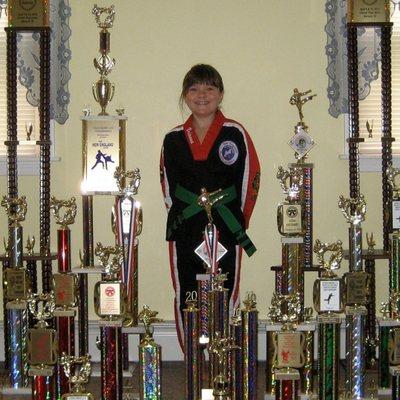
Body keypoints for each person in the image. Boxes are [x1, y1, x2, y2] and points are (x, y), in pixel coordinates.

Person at [160, 64, 260, 349]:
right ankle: (193, 355)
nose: (201, 95)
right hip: (186, 225)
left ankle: (223, 351)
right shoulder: (173, 138)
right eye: (194, 89)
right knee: (188, 288)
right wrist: (182, 216)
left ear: (220, 94)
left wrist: (239, 220)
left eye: (209, 88)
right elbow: (167, 188)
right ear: (185, 95)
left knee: (224, 287)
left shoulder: (234, 133)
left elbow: (250, 179)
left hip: (226, 223)